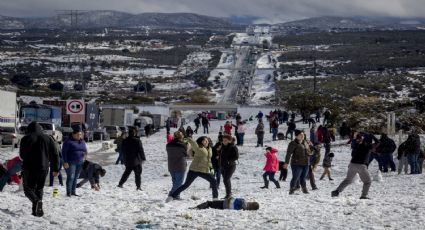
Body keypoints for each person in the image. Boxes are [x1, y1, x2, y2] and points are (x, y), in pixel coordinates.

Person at [20, 121, 60, 217]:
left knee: (28, 189)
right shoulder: (48, 138)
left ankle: (36, 201)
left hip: (29, 167)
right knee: (39, 188)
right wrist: (56, 168)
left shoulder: (25, 138)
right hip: (44, 167)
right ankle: (37, 210)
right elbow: (55, 154)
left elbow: (22, 155)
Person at [167, 136, 218, 202]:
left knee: (214, 181)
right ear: (201, 142)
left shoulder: (210, 149)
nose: (205, 142)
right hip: (194, 170)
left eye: (206, 140)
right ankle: (172, 196)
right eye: (203, 141)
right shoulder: (198, 148)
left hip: (203, 171)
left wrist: (211, 170)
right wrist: (188, 138)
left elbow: (209, 161)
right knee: (186, 185)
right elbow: (194, 144)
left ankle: (215, 198)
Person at [332, 133, 372, 199]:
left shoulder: (355, 145)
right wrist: (371, 136)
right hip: (361, 165)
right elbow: (377, 143)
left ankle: (336, 191)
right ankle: (363, 196)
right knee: (368, 181)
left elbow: (352, 154)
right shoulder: (367, 146)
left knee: (348, 180)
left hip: (352, 164)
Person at [284, 130, 312, 195]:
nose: (302, 136)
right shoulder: (293, 143)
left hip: (306, 163)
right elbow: (288, 153)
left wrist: (312, 150)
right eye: (300, 135)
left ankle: (304, 189)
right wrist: (286, 163)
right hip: (296, 164)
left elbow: (309, 152)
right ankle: (292, 189)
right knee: (295, 177)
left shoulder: (305, 142)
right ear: (296, 136)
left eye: (303, 135)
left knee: (303, 178)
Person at [62, 125, 88, 197]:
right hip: (70, 162)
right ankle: (69, 192)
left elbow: (85, 150)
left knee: (76, 177)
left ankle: (73, 191)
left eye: (80, 134)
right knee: (71, 177)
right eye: (78, 134)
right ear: (73, 134)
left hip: (80, 162)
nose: (79, 136)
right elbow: (64, 152)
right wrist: (65, 162)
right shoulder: (68, 141)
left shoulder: (82, 141)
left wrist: (85, 156)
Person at [166, 131, 188, 199]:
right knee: (179, 182)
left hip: (171, 164)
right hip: (180, 165)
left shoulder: (168, 145)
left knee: (175, 181)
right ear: (181, 137)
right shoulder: (183, 145)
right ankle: (172, 193)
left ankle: (177, 195)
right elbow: (186, 154)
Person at [193, 198, 259, 210]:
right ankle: (202, 207)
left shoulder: (243, 201)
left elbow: (232, 199)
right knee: (212, 205)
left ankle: (198, 207)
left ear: (251, 203)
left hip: (224, 203)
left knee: (209, 203)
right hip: (225, 208)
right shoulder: (244, 209)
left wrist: (229, 197)